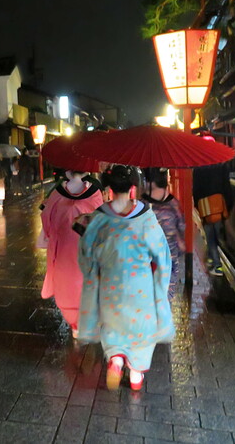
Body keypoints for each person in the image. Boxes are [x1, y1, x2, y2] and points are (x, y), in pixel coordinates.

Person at [78, 165, 174, 392]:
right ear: (133, 187)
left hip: (111, 287)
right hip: (140, 288)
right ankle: (136, 376)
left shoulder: (100, 216)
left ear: (109, 187)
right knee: (141, 334)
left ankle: (117, 359)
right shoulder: (146, 217)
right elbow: (163, 257)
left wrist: (94, 272)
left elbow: (86, 253)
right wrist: (160, 286)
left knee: (113, 329)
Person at [40, 169, 103, 338]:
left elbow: (47, 217)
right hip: (86, 249)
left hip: (62, 249)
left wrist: (49, 233)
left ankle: (74, 325)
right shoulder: (95, 193)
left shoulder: (56, 194)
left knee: (66, 287)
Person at [142, 167, 185, 296]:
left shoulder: (143, 204)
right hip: (159, 257)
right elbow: (182, 226)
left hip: (158, 257)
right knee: (158, 295)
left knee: (157, 295)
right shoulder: (172, 203)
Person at [193, 162, 234, 276]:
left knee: (210, 236)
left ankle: (217, 265)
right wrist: (228, 205)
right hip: (219, 204)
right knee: (217, 235)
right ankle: (213, 258)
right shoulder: (222, 165)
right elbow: (227, 186)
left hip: (205, 205)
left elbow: (195, 190)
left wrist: (198, 205)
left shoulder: (198, 167)